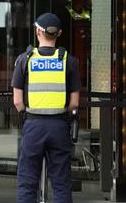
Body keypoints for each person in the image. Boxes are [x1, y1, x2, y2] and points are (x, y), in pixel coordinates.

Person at [12, 13, 81, 203]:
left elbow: (17, 101)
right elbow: (74, 102)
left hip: (33, 125)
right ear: (59, 33)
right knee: (61, 182)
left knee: (27, 181)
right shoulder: (69, 61)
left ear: (38, 31)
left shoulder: (24, 60)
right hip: (59, 126)